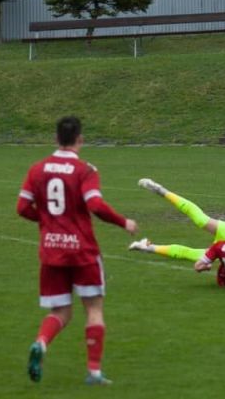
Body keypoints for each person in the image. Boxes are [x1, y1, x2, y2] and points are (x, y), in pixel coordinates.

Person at [17, 116, 139, 385]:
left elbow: (22, 208)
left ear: (55, 139)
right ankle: (94, 372)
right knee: (93, 309)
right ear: (80, 139)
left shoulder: (37, 170)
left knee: (60, 311)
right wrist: (124, 222)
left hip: (51, 251)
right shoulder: (85, 170)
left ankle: (41, 342)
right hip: (82, 250)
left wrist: (48, 222)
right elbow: (94, 204)